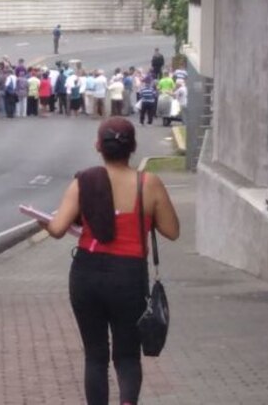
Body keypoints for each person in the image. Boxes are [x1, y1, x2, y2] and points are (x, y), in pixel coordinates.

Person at [39, 117, 179, 405]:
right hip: (128, 275)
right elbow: (173, 231)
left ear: (98, 146)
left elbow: (57, 229)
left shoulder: (84, 181)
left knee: (95, 355)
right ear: (133, 147)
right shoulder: (148, 184)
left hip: (87, 273)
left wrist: (44, 222)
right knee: (127, 355)